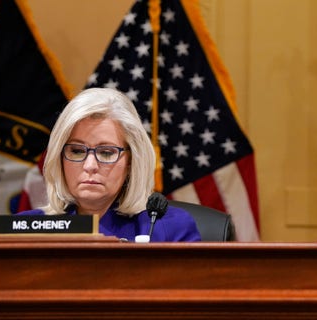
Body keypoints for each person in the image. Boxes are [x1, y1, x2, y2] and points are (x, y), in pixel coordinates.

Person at [19, 87, 200, 242]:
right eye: (77, 151)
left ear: (131, 161)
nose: (90, 165)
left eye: (106, 153)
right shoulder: (26, 230)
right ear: (59, 159)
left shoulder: (170, 229)